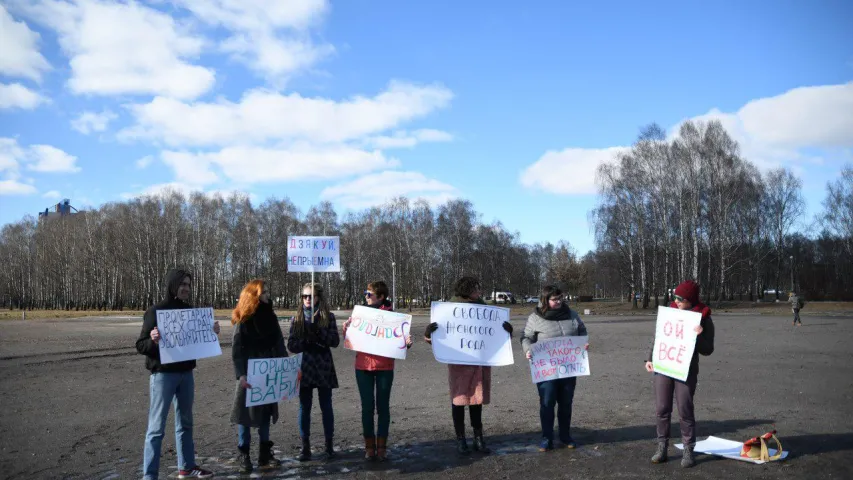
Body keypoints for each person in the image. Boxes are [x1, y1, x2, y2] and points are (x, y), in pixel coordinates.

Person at [135, 268, 220, 480]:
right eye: (182, 284)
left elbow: (195, 341)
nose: (186, 288)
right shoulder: (155, 311)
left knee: (185, 423)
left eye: (189, 285)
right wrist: (153, 340)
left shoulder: (190, 312)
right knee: (156, 428)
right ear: (173, 285)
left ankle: (186, 467)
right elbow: (140, 345)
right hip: (163, 375)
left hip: (186, 374)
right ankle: (149, 475)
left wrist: (211, 332)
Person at [424, 276, 514, 455]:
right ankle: (460, 439)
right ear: (467, 289)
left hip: (479, 362)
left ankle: (478, 437)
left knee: (476, 401)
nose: (479, 291)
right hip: (459, 363)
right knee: (458, 401)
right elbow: (442, 339)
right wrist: (429, 334)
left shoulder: (484, 308)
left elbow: (492, 334)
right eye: (476, 288)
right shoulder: (449, 309)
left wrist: (506, 332)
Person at [644, 280, 715, 468]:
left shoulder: (704, 317)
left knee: (685, 409)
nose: (676, 301)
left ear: (690, 300)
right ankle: (662, 447)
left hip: (686, 370)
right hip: (664, 366)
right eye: (675, 297)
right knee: (662, 409)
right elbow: (657, 336)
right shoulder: (670, 312)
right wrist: (649, 358)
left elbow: (708, 349)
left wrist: (699, 336)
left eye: (680, 298)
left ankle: (688, 449)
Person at [342, 281, 413, 462]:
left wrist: (406, 342)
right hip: (363, 366)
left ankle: (382, 447)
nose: (366, 296)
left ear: (381, 297)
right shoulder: (360, 315)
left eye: (369, 294)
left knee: (383, 407)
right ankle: (369, 446)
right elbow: (351, 338)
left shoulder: (394, 318)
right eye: (365, 293)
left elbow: (401, 340)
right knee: (367, 407)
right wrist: (347, 329)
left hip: (385, 367)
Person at [520, 285, 589, 451]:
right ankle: (546, 438)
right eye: (554, 299)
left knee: (566, 403)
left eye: (560, 298)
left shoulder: (572, 314)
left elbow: (582, 330)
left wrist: (584, 342)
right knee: (547, 402)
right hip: (546, 369)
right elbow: (526, 337)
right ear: (545, 300)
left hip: (569, 367)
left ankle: (565, 436)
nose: (558, 301)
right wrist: (528, 350)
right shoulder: (535, 318)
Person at [230, 279, 287, 473]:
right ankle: (243, 454)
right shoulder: (243, 319)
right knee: (245, 416)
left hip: (268, 369)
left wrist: (285, 367)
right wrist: (241, 375)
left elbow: (279, 343)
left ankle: (264, 454)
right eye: (264, 293)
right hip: (249, 373)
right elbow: (237, 349)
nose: (267, 296)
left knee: (265, 414)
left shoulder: (271, 317)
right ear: (254, 296)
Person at [287, 282, 340, 461]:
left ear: (318, 297)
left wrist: (318, 332)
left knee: (326, 406)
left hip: (323, 365)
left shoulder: (329, 317)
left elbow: (334, 341)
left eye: (311, 296)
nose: (307, 299)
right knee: (304, 407)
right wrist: (305, 341)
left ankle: (329, 445)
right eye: (305, 296)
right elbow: (291, 345)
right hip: (305, 366)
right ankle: (305, 447)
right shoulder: (297, 318)